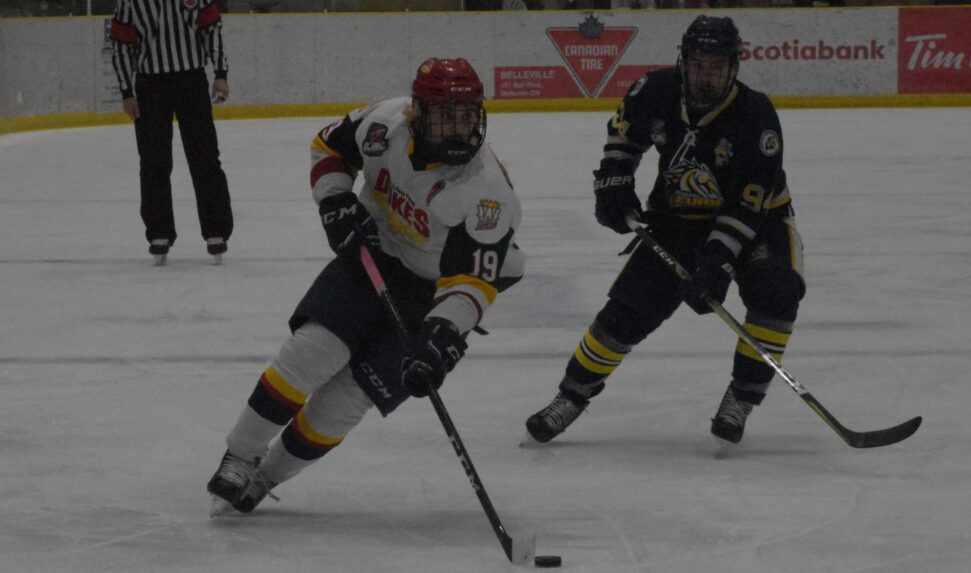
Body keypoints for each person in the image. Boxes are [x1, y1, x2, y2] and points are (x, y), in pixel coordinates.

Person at [205, 58, 525, 515]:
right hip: (371, 253)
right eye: (445, 116)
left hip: (432, 295)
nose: (459, 129)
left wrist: (442, 337)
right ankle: (240, 455)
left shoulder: (488, 191)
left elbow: (472, 281)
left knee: (346, 401)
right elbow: (328, 147)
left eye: (467, 115)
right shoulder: (384, 124)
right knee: (310, 352)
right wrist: (335, 201)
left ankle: (268, 475)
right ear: (418, 111)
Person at [525, 15, 805, 445]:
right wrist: (614, 184)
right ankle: (571, 397)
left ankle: (743, 397)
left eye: (716, 67)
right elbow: (622, 139)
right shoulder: (652, 90)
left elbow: (747, 205)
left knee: (777, 291)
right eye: (698, 65)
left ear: (734, 67)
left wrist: (717, 260)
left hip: (758, 224)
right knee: (624, 314)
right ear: (684, 61)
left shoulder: (756, 116)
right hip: (676, 222)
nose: (706, 76)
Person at [109, 0, 233, 265]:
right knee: (154, 161)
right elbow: (121, 44)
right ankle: (159, 233)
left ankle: (216, 230)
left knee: (205, 157)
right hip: (149, 84)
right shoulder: (130, 2)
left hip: (191, 80)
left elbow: (212, 28)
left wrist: (220, 74)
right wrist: (126, 92)